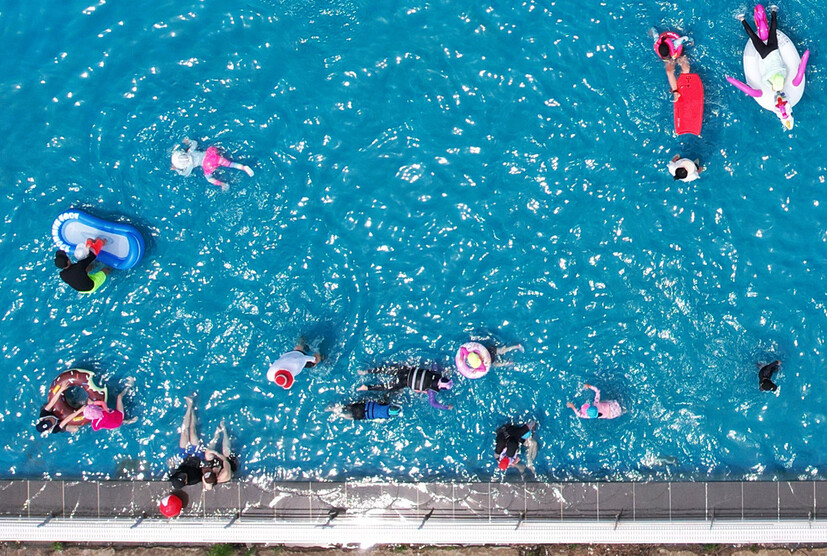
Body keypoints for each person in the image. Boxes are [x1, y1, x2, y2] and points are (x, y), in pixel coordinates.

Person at [171, 138, 254, 191]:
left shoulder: (189, 166)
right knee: (229, 164)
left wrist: (177, 169)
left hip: (207, 165)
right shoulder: (190, 151)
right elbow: (195, 143)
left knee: (209, 179)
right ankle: (243, 167)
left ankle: (222, 184)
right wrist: (188, 141)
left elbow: (185, 174)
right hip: (211, 155)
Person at [357, 364, 453, 410]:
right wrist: (446, 407)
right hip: (405, 382)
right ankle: (366, 388)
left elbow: (434, 364)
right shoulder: (431, 391)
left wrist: (443, 369)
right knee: (387, 387)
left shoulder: (436, 373)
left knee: (386, 370)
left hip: (406, 371)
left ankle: (367, 371)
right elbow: (433, 403)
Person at [737, 6, 786, 92]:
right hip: (765, 54)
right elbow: (764, 80)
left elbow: (783, 70)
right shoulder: (769, 76)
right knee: (753, 36)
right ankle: (742, 19)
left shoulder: (783, 73)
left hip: (773, 49)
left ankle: (773, 10)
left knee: (773, 30)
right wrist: (772, 87)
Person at [169, 396, 204, 490]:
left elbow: (171, 467)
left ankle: (189, 406)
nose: (183, 475)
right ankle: (192, 407)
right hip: (197, 456)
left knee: (184, 432)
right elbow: (203, 470)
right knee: (192, 430)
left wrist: (170, 464)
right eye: (183, 477)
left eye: (180, 475)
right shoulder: (194, 479)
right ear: (185, 481)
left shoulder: (173, 476)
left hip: (184, 456)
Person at [651, 30, 692, 102]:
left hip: (676, 51)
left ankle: (679, 85)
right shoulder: (657, 42)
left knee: (686, 69)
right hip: (669, 52)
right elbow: (654, 31)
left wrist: (691, 41)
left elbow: (686, 38)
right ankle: (675, 92)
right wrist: (650, 31)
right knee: (669, 71)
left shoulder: (676, 43)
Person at [201, 420, 238, 490]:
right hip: (229, 465)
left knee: (207, 454)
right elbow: (225, 459)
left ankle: (216, 437)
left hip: (220, 465)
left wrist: (209, 452)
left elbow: (207, 486)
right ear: (216, 475)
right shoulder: (224, 474)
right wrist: (216, 453)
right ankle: (224, 432)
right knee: (226, 451)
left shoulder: (207, 480)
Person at [327, 400, 402, 420]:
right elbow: (378, 419)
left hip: (363, 407)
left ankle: (333, 408)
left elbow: (379, 402)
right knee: (351, 417)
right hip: (363, 415)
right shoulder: (386, 417)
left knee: (347, 407)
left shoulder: (386, 404)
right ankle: (340, 414)